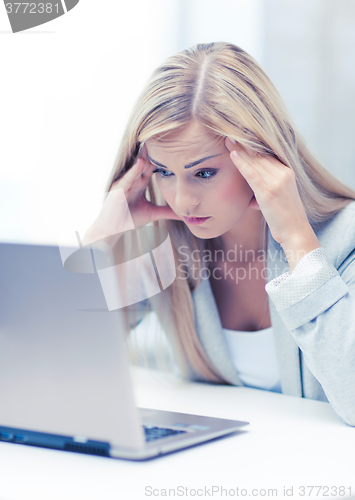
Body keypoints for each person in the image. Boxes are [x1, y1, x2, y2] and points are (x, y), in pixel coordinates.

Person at [83, 42, 355, 426]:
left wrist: (296, 239)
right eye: (163, 171)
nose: (182, 201)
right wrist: (101, 237)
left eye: (204, 173)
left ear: (262, 154)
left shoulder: (347, 240)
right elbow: (53, 362)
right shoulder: (168, 249)